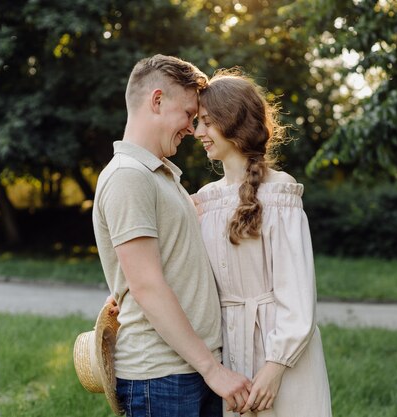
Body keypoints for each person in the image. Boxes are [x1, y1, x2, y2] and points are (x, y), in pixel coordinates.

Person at [92, 55, 251, 417]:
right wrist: (213, 370)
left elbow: (161, 265)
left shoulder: (160, 176)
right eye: (189, 115)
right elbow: (147, 286)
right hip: (161, 377)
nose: (193, 130)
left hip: (190, 368)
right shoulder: (129, 176)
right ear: (157, 100)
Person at [191, 70, 333, 416]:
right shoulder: (204, 201)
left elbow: (296, 294)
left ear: (232, 121)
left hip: (281, 354)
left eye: (207, 122)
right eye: (196, 122)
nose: (198, 133)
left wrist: (275, 367)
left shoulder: (279, 193)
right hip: (227, 351)